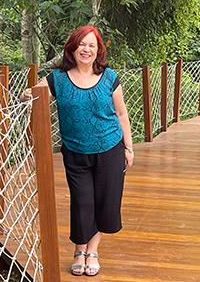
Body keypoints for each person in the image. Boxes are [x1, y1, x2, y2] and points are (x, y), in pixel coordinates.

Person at [20, 26, 134, 277]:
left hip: (110, 149)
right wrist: (26, 93)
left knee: (105, 202)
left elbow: (122, 114)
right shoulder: (58, 79)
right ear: (72, 48)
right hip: (75, 151)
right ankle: (78, 250)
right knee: (82, 202)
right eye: (82, 44)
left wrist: (129, 147)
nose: (86, 49)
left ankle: (92, 251)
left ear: (98, 51)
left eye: (92, 45)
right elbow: (34, 94)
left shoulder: (109, 77)